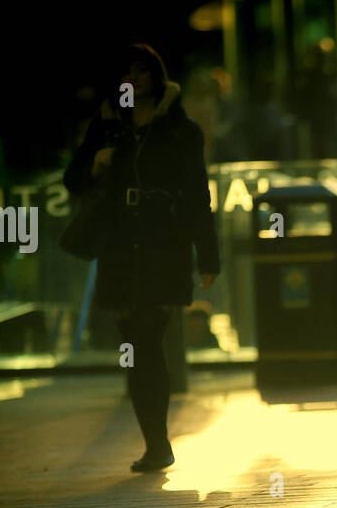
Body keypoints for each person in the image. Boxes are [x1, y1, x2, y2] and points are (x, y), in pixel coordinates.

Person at [64, 43, 220, 472]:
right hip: (119, 248)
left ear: (157, 76)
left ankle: (158, 444)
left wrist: (207, 256)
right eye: (126, 73)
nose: (134, 80)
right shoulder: (108, 127)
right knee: (134, 346)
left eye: (142, 71)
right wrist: (96, 165)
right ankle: (156, 441)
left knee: (148, 343)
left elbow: (196, 197)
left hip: (163, 245)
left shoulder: (181, 131)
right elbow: (73, 181)